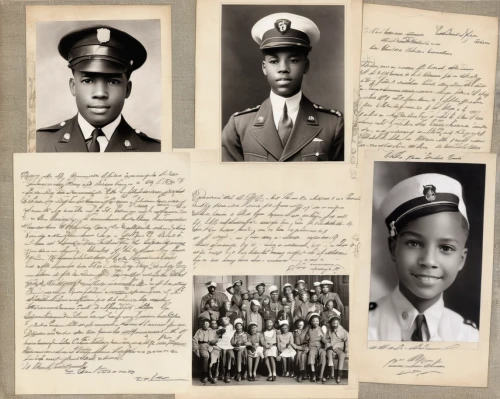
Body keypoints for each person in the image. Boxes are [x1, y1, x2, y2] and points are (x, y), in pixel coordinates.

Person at [368, 173, 479, 342]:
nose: (428, 261)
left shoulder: (468, 337)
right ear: (393, 248)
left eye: (445, 248)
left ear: (461, 259)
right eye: (414, 243)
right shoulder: (364, 328)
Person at [221, 13, 344, 162]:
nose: (283, 68)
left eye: (293, 60)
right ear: (264, 67)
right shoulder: (239, 126)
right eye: (274, 61)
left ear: (306, 66)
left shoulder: (332, 125)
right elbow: (228, 182)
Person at [37, 25, 160, 152]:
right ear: (73, 87)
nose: (100, 93)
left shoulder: (154, 151)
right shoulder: (40, 144)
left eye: (113, 81)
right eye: (88, 80)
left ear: (127, 89)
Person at [193, 318, 221, 384]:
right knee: (206, 356)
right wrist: (196, 350)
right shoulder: (199, 331)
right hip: (202, 346)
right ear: (202, 324)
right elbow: (194, 340)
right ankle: (205, 375)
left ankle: (213, 375)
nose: (206, 325)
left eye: (207, 324)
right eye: (204, 324)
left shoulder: (211, 330)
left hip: (210, 345)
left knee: (215, 355)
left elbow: (216, 338)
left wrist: (215, 341)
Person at [324, 314, 348, 384]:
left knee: (342, 355)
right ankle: (330, 373)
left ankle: (339, 375)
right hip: (331, 348)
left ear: (338, 323)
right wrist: (327, 343)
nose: (335, 324)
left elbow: (347, 340)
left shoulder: (343, 331)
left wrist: (346, 348)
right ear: (331, 324)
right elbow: (326, 339)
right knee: (329, 353)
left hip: (339, 349)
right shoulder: (329, 331)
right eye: (333, 323)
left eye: (336, 323)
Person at [305, 313, 326, 383]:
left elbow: (324, 339)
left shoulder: (321, 329)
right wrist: (307, 346)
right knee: (311, 353)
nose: (315, 322)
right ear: (311, 322)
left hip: (320, 346)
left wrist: (326, 343)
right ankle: (313, 374)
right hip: (312, 346)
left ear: (319, 322)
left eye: (317, 321)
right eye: (313, 321)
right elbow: (306, 339)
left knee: (323, 353)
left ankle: (321, 375)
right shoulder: (309, 330)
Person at [215, 316, 236, 383]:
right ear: (221, 322)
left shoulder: (231, 326)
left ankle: (228, 372)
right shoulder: (220, 328)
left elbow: (231, 336)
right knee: (223, 353)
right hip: (221, 344)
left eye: (227, 319)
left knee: (231, 355)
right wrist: (221, 331)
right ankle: (223, 373)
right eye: (224, 320)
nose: (226, 320)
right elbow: (218, 335)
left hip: (228, 344)